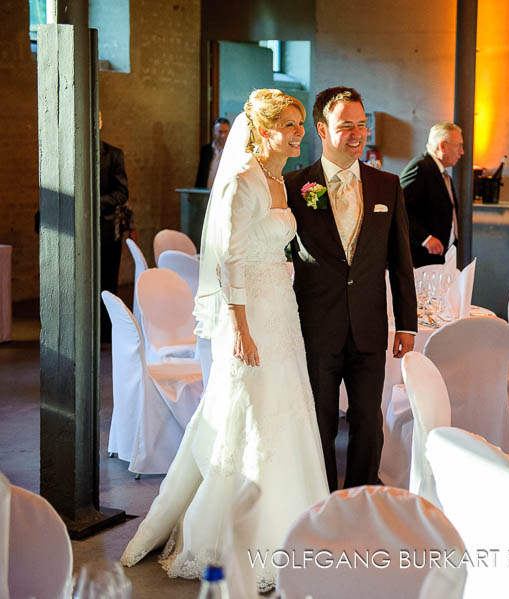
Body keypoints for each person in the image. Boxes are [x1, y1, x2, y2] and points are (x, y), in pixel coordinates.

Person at [120, 90, 328, 591]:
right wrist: (239, 328)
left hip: (281, 310)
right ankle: (233, 538)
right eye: (291, 125)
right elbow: (228, 258)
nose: (299, 133)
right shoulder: (240, 182)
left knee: (288, 409)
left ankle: (297, 530)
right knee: (248, 416)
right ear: (263, 130)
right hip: (251, 313)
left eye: (301, 125)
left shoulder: (279, 178)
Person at [286, 87, 417, 492]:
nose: (358, 133)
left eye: (362, 125)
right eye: (347, 126)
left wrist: (407, 325)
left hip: (368, 325)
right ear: (322, 130)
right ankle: (323, 501)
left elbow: (401, 261)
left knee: (367, 422)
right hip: (315, 326)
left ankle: (361, 502)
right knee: (319, 422)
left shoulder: (386, 185)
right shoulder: (293, 186)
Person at [399, 122, 464, 267]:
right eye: (458, 146)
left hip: (440, 257)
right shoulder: (420, 168)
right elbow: (399, 209)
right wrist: (426, 239)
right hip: (421, 258)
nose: (462, 152)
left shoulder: (442, 173)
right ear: (442, 146)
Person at [98, 111, 131, 341]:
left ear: (100, 122)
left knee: (107, 281)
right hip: (79, 229)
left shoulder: (113, 154)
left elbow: (122, 192)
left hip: (107, 227)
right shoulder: (73, 152)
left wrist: (94, 202)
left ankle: (106, 331)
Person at [194, 117, 230, 189]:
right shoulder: (206, 150)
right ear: (214, 132)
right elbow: (201, 174)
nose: (223, 135)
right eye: (220, 132)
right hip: (206, 193)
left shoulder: (233, 151)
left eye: (226, 132)